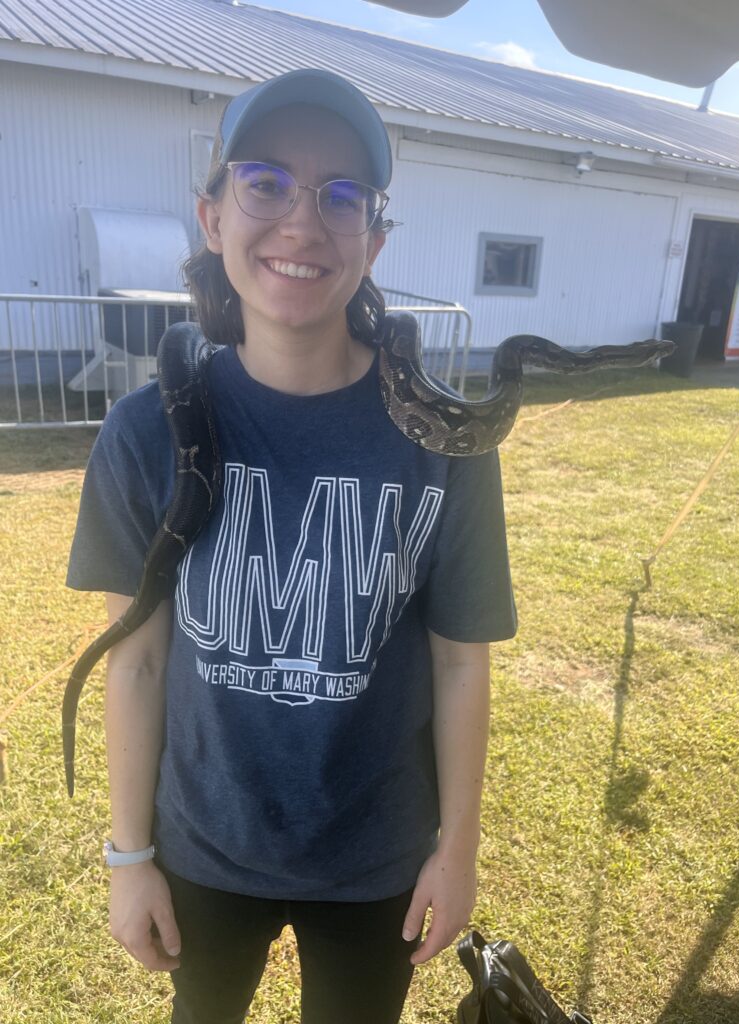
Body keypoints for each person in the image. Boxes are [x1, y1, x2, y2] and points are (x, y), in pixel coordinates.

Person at [67, 68, 517, 1024]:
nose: (303, 224)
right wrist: (128, 856)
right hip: (202, 846)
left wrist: (459, 847)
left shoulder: (447, 441)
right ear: (213, 214)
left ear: (376, 239)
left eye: (342, 197)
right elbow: (138, 662)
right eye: (266, 183)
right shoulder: (144, 434)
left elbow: (458, 660)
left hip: (376, 856)